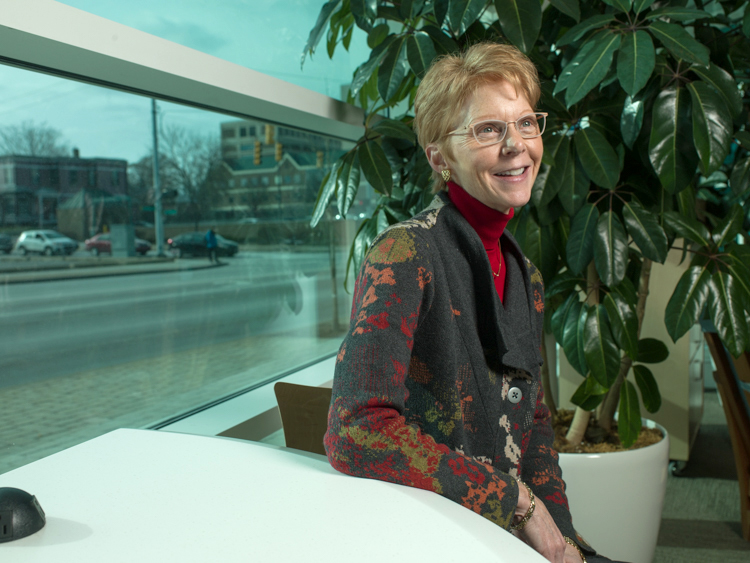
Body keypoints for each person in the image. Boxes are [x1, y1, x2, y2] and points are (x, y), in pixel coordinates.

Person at [325, 43, 615, 563]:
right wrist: (517, 502)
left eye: (526, 123)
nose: (517, 146)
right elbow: (355, 430)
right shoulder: (404, 253)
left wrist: (567, 545)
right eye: (488, 130)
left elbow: (535, 432)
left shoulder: (528, 277)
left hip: (503, 536)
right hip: (430, 534)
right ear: (440, 158)